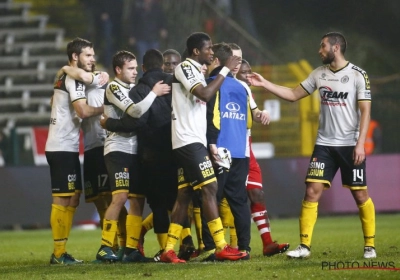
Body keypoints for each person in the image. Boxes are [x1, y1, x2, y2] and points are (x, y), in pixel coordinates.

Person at [247, 32, 376, 259]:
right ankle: (304, 247)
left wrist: (359, 144)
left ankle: (370, 246)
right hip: (324, 145)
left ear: (335, 48)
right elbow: (293, 94)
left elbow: (365, 111)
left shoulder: (358, 75)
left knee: (360, 194)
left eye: (323, 46)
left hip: (349, 144)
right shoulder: (319, 74)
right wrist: (264, 83)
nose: (319, 50)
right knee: (311, 192)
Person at [159, 32, 246, 263]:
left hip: (192, 140)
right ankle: (220, 245)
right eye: (208, 49)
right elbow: (205, 94)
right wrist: (225, 70)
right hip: (187, 141)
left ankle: (168, 250)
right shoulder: (186, 67)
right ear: (196, 51)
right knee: (210, 188)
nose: (211, 52)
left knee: (185, 194)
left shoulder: (197, 71)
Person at [101, 49, 176, 262]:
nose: (135, 73)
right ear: (118, 69)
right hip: (118, 149)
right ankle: (105, 246)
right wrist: (153, 93)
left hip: (135, 150)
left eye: (136, 68)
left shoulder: (134, 88)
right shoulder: (114, 86)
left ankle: (131, 250)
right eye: (130, 68)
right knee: (121, 197)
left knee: (137, 201)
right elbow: (135, 113)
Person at [197, 42, 267, 261]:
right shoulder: (243, 87)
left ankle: (210, 248)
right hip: (240, 152)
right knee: (238, 200)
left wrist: (211, 144)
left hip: (220, 150)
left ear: (215, 61)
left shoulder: (210, 84)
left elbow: (213, 117)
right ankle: (245, 248)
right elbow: (250, 117)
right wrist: (259, 115)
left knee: (211, 199)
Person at [45, 37, 105, 265]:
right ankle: (59, 253)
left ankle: (61, 251)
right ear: (75, 57)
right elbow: (82, 110)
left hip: (66, 146)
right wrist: (107, 106)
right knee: (63, 198)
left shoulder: (67, 76)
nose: (93, 59)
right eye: (88, 55)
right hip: (61, 146)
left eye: (92, 55)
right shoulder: (73, 77)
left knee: (73, 198)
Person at [235, 57, 290, 256]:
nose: (248, 76)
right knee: (225, 199)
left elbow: (255, 112)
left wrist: (262, 113)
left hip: (246, 147)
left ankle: (267, 243)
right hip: (229, 148)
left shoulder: (246, 89)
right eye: (244, 72)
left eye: (250, 72)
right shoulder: (225, 88)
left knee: (257, 194)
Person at [128, 0, 168, 74]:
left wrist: (163, 29)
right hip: (141, 37)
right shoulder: (137, 6)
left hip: (153, 37)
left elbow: (161, 18)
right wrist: (132, 36)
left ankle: (154, 77)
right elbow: (132, 21)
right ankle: (143, 78)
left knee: (155, 60)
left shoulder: (157, 6)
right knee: (143, 59)